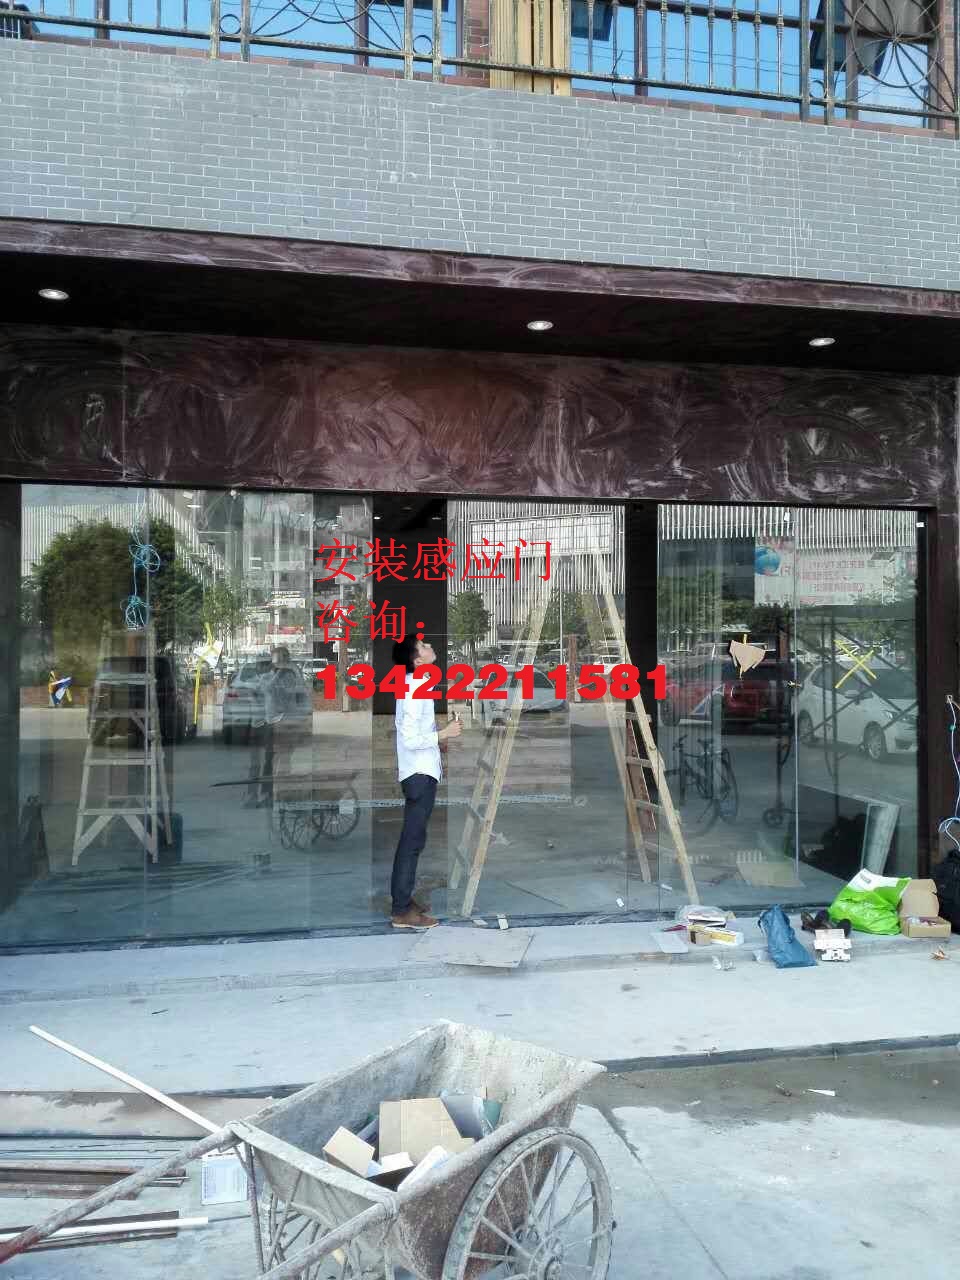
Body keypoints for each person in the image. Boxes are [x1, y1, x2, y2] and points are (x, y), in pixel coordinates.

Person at [390, 634, 461, 930]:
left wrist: (437, 742)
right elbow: (409, 739)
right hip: (419, 776)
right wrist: (444, 734)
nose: (429, 646)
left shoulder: (416, 684)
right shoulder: (414, 688)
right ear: (418, 660)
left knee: (414, 841)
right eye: (423, 646)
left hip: (421, 772)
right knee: (412, 842)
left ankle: (404, 902)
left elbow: (415, 732)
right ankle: (401, 910)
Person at [245, 647, 304, 807]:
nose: (265, 666)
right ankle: (255, 795)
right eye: (261, 664)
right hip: (262, 724)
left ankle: (271, 795)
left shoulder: (288, 676)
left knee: (274, 761)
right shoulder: (262, 678)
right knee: (259, 763)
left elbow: (288, 696)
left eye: (268, 663)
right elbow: (262, 690)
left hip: (277, 724)